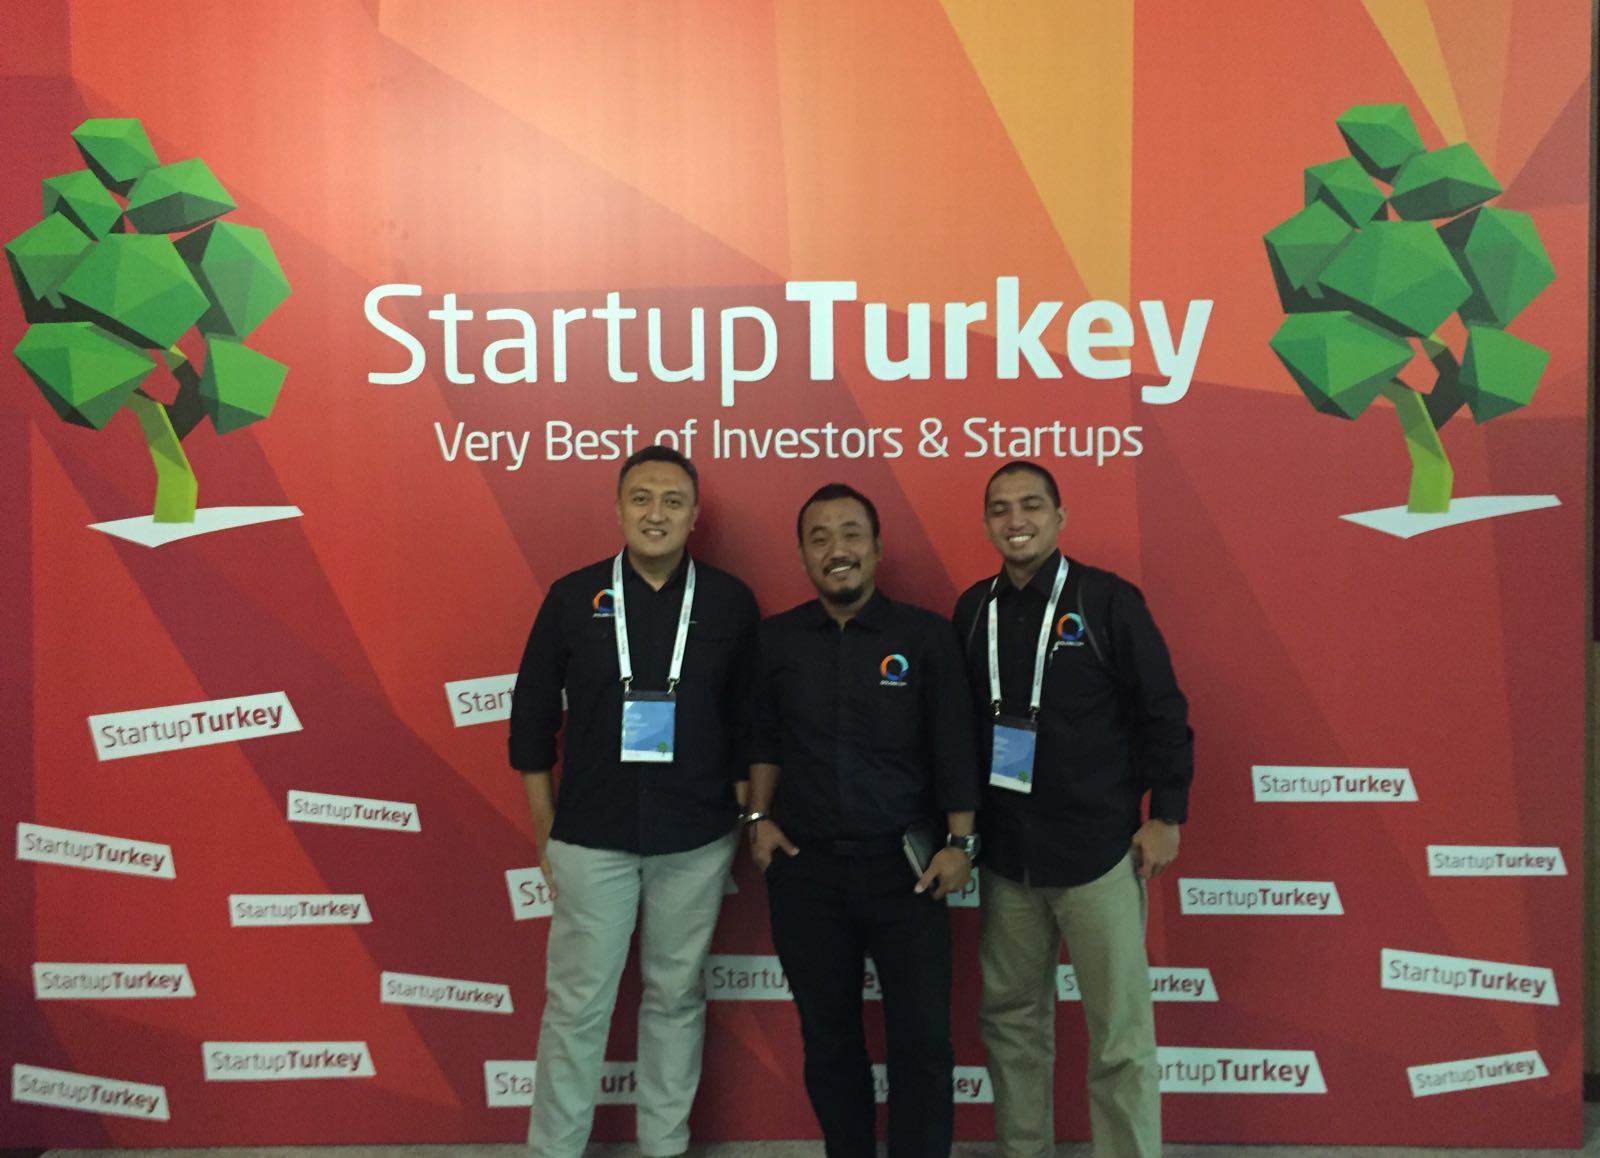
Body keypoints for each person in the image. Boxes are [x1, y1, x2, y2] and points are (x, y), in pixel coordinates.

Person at [509, 445, 759, 1158]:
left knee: (676, 997)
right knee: (577, 1005)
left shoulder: (729, 601)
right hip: (591, 836)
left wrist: (745, 821)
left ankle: (664, 1145)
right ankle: (555, 1149)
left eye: (673, 500)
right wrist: (545, 828)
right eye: (642, 497)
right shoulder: (572, 597)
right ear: (618, 509)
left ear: (694, 515)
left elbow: (750, 723)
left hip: (696, 836)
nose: (657, 513)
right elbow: (530, 722)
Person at [953, 461, 1192, 1158]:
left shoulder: (1107, 601)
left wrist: (1165, 815)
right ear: (987, 523)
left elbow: (1162, 711)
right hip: (1008, 859)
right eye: (1000, 508)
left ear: (1060, 517)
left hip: (1097, 854)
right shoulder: (973, 611)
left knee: (1119, 1035)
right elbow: (958, 730)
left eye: (1031, 505)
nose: (1016, 520)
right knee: (1011, 1025)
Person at [744, 482, 980, 1158]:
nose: (836, 549)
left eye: (851, 534)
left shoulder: (925, 637)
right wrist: (757, 817)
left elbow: (955, 745)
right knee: (829, 1040)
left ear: (877, 548)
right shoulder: (776, 640)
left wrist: (962, 842)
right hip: (806, 872)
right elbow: (762, 738)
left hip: (907, 870)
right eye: (819, 538)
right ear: (803, 556)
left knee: (922, 1041)